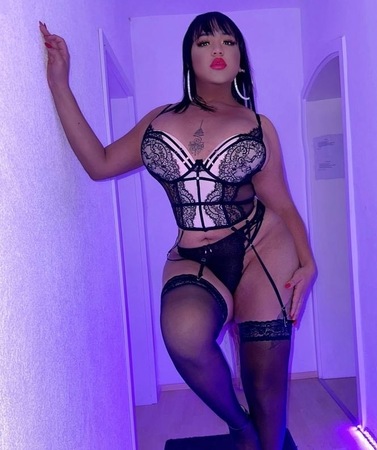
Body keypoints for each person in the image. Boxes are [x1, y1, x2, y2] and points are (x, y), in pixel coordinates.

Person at [40, 12, 316, 450]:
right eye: (204, 42)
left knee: (266, 388)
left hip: (262, 247)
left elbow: (281, 203)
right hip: (192, 255)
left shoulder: (258, 126)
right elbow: (99, 164)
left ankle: (263, 439)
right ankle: (240, 428)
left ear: (240, 60)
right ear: (189, 57)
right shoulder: (159, 120)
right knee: (184, 335)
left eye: (228, 42)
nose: (218, 49)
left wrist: (308, 262)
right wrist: (60, 83)